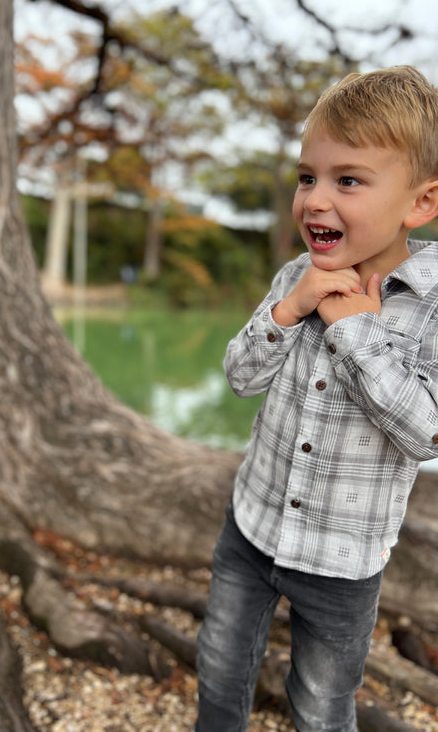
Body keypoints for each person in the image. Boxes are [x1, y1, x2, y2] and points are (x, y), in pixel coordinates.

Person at [195, 65, 438, 732]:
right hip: (251, 528)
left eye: (348, 180)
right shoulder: (297, 273)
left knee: (322, 704)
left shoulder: (431, 311)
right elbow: (240, 375)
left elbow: (425, 433)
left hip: (343, 561)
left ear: (420, 203)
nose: (315, 200)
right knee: (218, 665)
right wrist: (286, 310)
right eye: (308, 177)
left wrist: (357, 330)